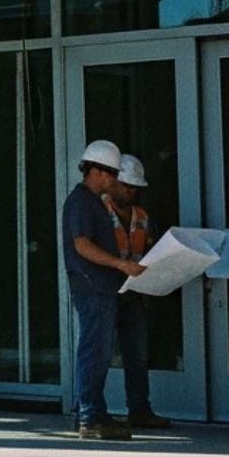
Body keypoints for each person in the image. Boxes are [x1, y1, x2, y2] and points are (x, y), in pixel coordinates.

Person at [64, 140, 147, 440]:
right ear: (95, 171)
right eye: (111, 173)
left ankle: (91, 413)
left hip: (99, 288)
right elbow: (82, 245)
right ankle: (89, 416)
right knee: (94, 352)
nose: (114, 180)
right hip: (92, 287)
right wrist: (120, 265)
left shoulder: (91, 201)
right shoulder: (82, 202)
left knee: (97, 352)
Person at [108, 155, 171, 430]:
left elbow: (153, 250)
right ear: (113, 183)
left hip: (134, 294)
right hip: (106, 291)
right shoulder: (98, 211)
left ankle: (139, 409)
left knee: (137, 354)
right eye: (126, 186)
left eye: (135, 187)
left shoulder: (142, 218)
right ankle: (88, 409)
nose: (130, 192)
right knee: (98, 352)